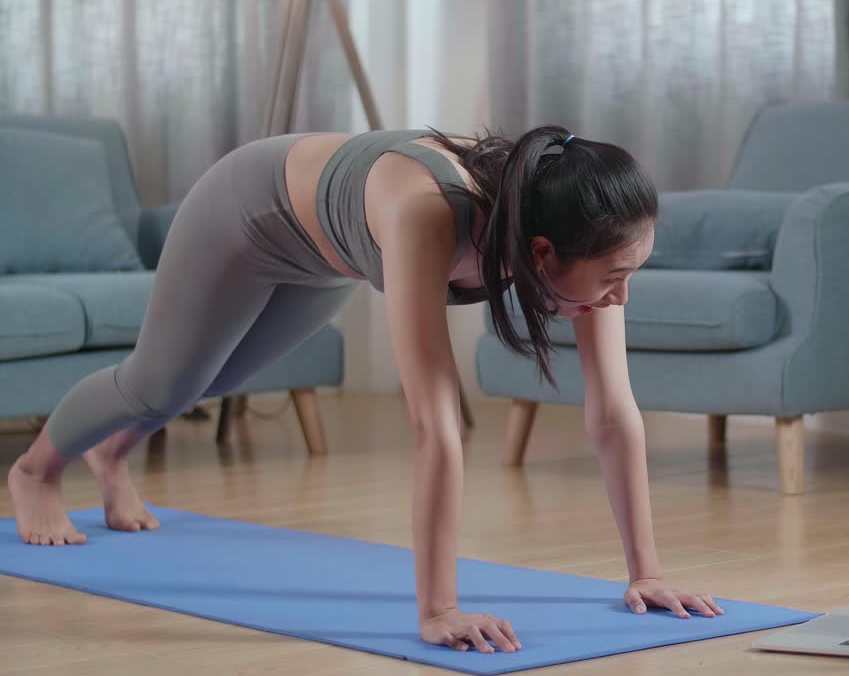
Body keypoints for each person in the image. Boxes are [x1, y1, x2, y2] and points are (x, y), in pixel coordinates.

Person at [5, 125, 725, 653]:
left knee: (210, 380)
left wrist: (647, 573)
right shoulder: (427, 214)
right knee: (158, 382)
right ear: (542, 254)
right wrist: (438, 610)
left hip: (327, 253)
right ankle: (37, 470)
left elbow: (614, 412)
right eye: (614, 279)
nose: (621, 297)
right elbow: (435, 427)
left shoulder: (580, 235)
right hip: (246, 213)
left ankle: (112, 454)